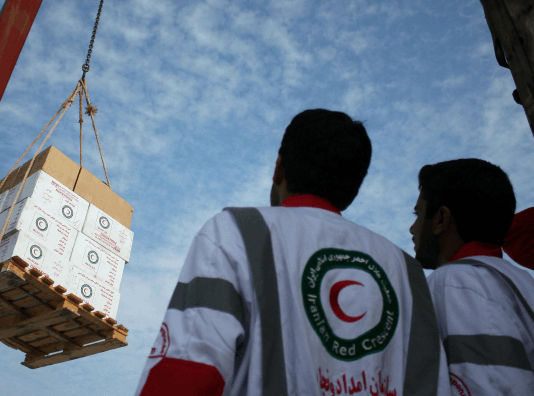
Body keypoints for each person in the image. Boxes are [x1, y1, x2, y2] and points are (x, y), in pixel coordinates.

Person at [135, 109, 450, 396]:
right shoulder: (407, 272)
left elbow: (187, 372)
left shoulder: (235, 232)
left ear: (278, 168)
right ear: (353, 190)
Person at [409, 158, 534, 395]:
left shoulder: (455, 281)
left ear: (441, 219)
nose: (412, 228)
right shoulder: (523, 281)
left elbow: (490, 386)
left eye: (418, 214)